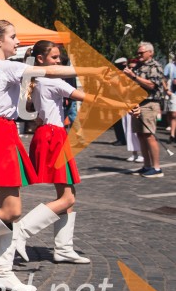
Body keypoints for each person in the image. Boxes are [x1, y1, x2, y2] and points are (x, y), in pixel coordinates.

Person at [0, 21, 105, 291]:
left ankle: (1, 273)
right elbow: (51, 70)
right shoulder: (4, 66)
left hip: (4, 132)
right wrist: (92, 69)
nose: (18, 41)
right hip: (0, 134)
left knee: (10, 211)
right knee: (12, 211)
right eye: (13, 37)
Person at [18, 40, 124, 265]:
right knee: (68, 197)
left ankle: (63, 248)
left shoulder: (36, 80)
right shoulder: (52, 81)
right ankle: (21, 231)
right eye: (54, 58)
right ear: (40, 59)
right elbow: (92, 100)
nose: (59, 62)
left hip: (47, 134)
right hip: (53, 136)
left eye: (59, 58)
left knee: (66, 195)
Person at [125, 42, 166, 178]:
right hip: (137, 104)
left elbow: (152, 85)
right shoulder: (138, 66)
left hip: (149, 103)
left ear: (150, 52)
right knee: (140, 135)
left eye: (141, 52)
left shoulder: (155, 66)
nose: (139, 55)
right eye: (138, 52)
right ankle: (147, 166)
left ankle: (157, 168)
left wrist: (134, 76)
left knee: (149, 135)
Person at [164, 53, 176, 144]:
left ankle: (173, 134)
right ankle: (172, 134)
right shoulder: (170, 66)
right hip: (172, 93)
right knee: (172, 114)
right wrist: (166, 89)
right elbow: (163, 79)